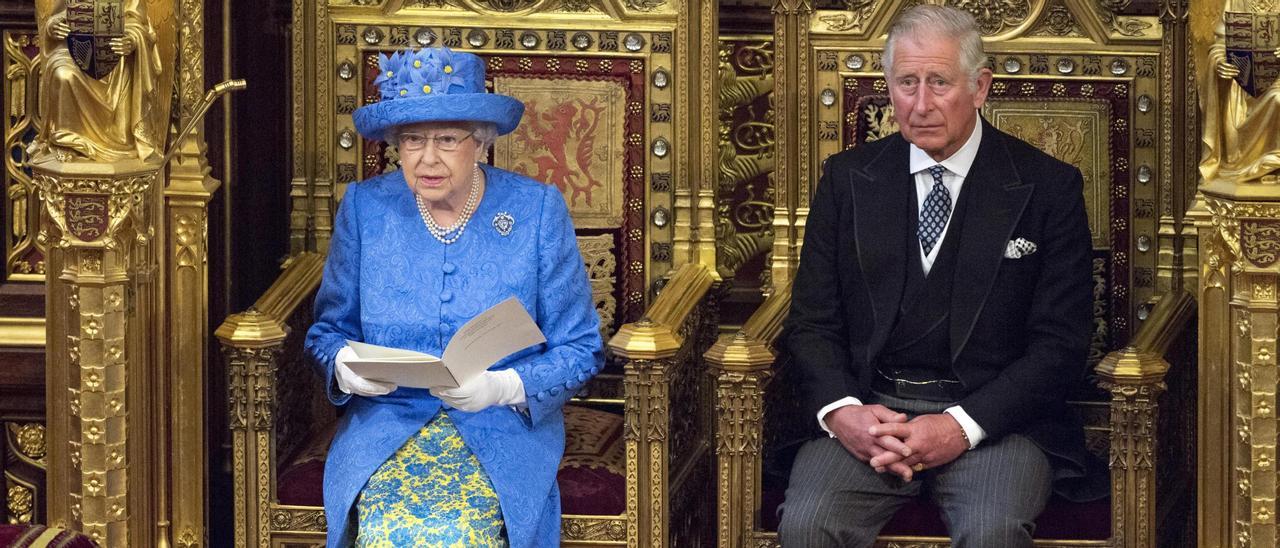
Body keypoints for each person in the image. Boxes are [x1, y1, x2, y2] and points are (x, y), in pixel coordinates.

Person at [776, 5, 1101, 547]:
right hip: (871, 416)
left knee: (993, 531)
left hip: (997, 424)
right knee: (808, 524)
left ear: (980, 87)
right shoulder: (847, 179)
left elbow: (1061, 345)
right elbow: (812, 323)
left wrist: (960, 427)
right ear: (889, 86)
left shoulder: (1047, 188)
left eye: (939, 83)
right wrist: (842, 413)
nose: (920, 104)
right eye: (906, 82)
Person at [304, 46, 604, 547]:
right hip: (386, 426)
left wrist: (505, 387)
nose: (427, 158)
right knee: (390, 532)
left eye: (446, 139)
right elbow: (327, 332)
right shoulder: (365, 209)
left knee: (458, 531)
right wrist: (344, 366)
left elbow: (581, 347)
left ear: (481, 143)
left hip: (501, 427)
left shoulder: (536, 211)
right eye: (412, 140)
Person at [34, 0, 164, 162]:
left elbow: (141, 26)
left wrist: (131, 39)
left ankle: (118, 142)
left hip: (116, 60)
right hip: (74, 53)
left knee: (124, 70)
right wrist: (53, 27)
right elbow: (56, 17)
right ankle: (66, 141)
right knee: (62, 74)